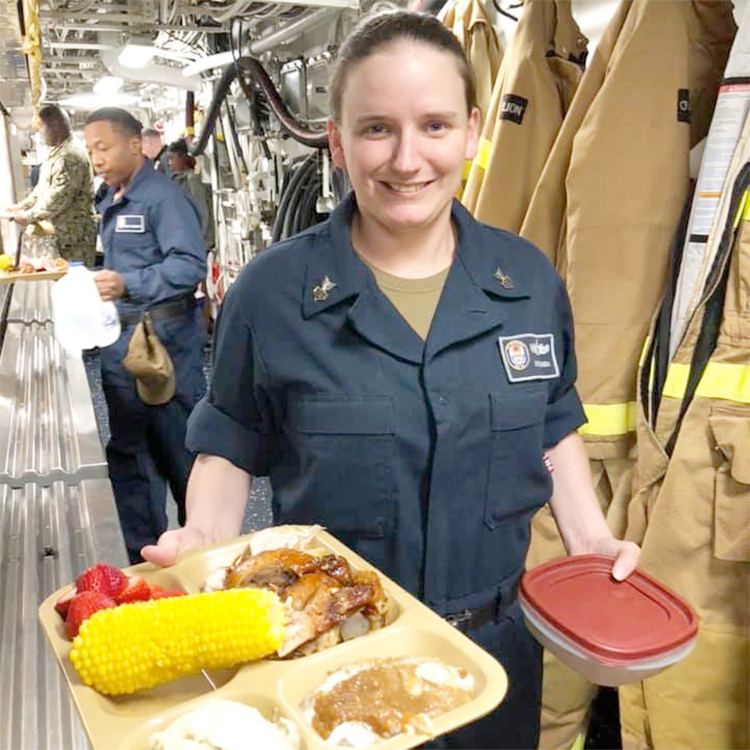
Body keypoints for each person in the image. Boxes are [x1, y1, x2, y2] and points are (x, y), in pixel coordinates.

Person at [142, 11, 640, 749]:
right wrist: (205, 541)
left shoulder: (529, 282)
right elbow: (230, 445)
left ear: (473, 132)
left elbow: (551, 425)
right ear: (337, 142)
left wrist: (590, 539)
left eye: (435, 126)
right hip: (332, 654)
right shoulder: (272, 295)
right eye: (377, 128)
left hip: (494, 660)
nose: (408, 159)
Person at [83, 107, 207, 564]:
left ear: (135, 145)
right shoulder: (112, 197)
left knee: (180, 449)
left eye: (103, 146)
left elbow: (188, 266)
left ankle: (201, 555)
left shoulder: (161, 199)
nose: (95, 157)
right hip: (125, 343)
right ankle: (146, 560)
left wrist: (128, 284)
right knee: (132, 455)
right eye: (90, 149)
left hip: (166, 343)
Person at [5, 104, 97, 265]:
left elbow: (59, 198)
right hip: (62, 235)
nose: (40, 134)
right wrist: (21, 206)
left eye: (41, 128)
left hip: (75, 237)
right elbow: (42, 190)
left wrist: (27, 216)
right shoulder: (56, 153)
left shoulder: (70, 155)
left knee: (75, 283)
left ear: (54, 126)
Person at [166, 139, 215, 251]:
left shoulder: (193, 180)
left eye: (172, 159)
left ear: (182, 158)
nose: (169, 163)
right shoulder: (175, 181)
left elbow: (202, 214)